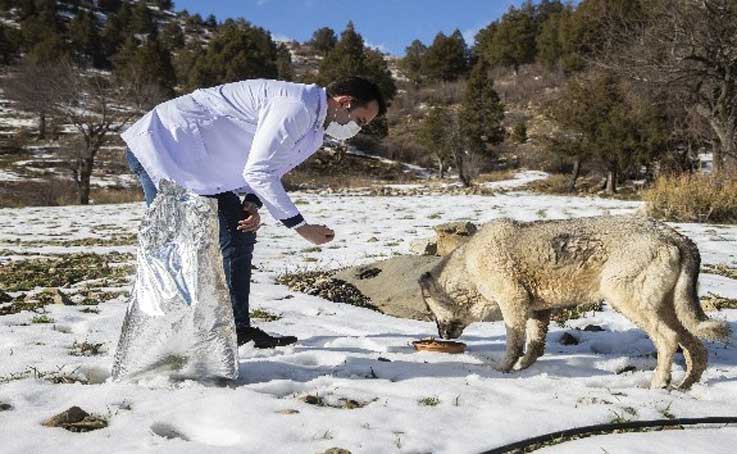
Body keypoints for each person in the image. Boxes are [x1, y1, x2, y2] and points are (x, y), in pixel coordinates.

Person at [122, 76, 386, 348]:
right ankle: (162, 341)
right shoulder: (295, 105)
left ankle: (237, 330)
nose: (357, 129)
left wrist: (252, 203)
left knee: (239, 234)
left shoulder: (315, 133)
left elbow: (273, 167)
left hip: (205, 169)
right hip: (164, 148)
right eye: (360, 121)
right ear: (344, 103)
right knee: (173, 246)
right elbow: (259, 172)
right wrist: (301, 228)